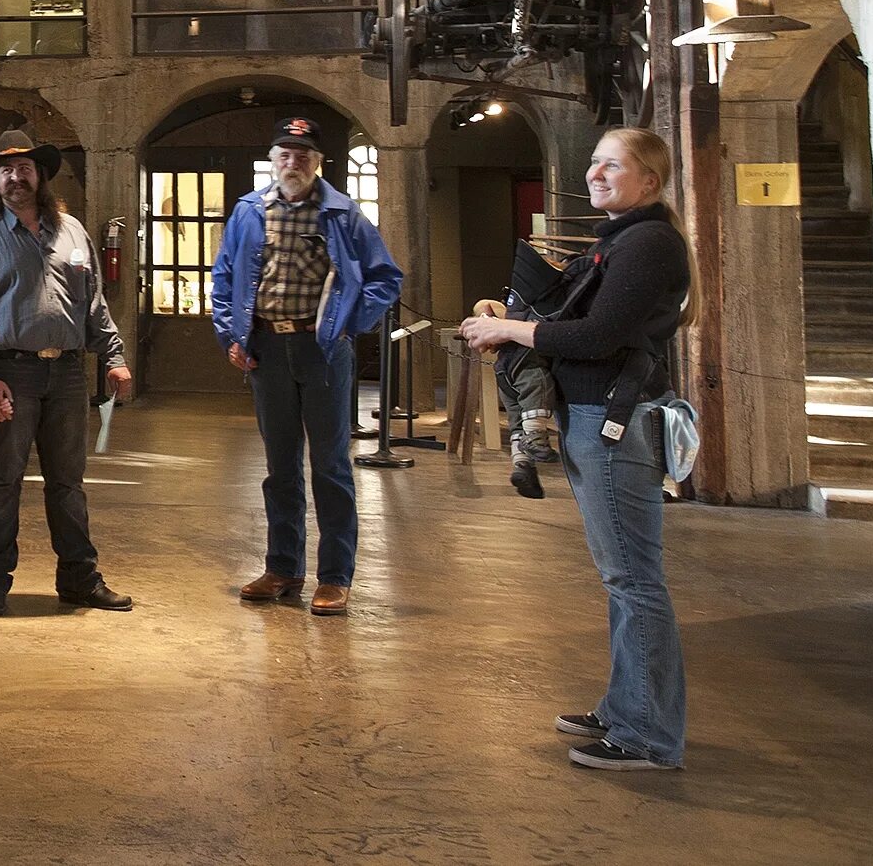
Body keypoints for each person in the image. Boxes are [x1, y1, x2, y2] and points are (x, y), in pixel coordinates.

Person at [459, 128, 695, 772]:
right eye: (593, 162)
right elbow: (567, 314)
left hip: (615, 422)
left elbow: (596, 334)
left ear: (648, 180)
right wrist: (508, 311)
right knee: (621, 578)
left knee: (635, 581)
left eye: (611, 165)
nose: (595, 173)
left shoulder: (648, 243)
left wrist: (508, 328)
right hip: (594, 417)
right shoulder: (621, 239)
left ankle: (647, 736)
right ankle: (627, 709)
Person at [209, 116, 403, 619]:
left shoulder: (343, 214)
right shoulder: (250, 211)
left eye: (303, 154)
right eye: (284, 154)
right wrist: (232, 334)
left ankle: (335, 577)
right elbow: (225, 273)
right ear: (272, 160)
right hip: (267, 352)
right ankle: (282, 568)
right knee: (279, 467)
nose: (292, 162)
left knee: (331, 467)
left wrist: (346, 323)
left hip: (321, 352)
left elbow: (385, 278)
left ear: (318, 162)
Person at [0, 128, 136, 616]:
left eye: (25, 167)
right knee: (3, 481)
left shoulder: (73, 232)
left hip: (69, 374)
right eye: (6, 170)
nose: (16, 177)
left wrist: (114, 357)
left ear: (41, 175)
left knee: (68, 483)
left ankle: (79, 579)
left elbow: (92, 301)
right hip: (11, 375)